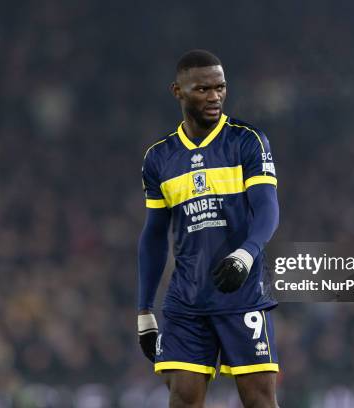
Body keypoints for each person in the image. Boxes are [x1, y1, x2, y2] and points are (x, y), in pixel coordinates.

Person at [137, 49, 280, 408]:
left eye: (220, 87)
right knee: (183, 398)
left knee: (259, 400)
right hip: (187, 300)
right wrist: (144, 309)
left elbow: (267, 210)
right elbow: (154, 235)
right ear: (178, 92)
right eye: (202, 89)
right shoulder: (159, 158)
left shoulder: (247, 140)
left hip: (241, 294)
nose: (214, 96)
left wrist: (246, 255)